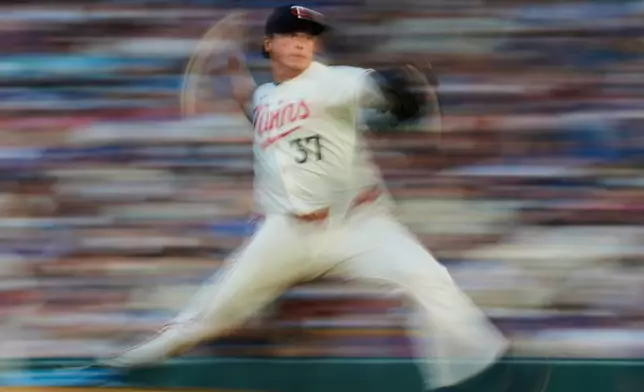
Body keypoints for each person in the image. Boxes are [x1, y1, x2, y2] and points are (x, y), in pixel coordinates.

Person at [101, 5, 515, 391]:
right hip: (287, 232)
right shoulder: (266, 98)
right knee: (212, 315)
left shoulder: (334, 81)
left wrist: (397, 91)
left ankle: (480, 376)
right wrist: (231, 67)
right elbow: (252, 103)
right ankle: (121, 369)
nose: (301, 43)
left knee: (430, 279)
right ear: (270, 44)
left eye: (308, 37)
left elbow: (374, 88)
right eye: (290, 35)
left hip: (358, 224)